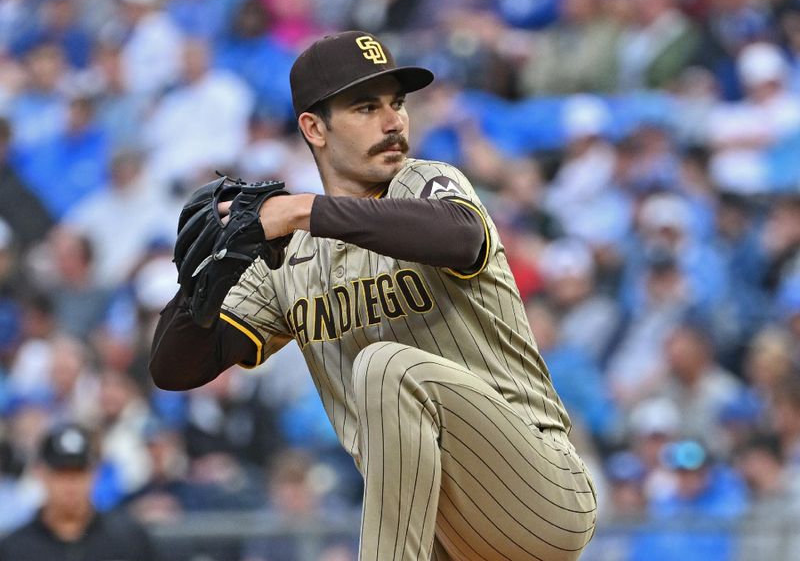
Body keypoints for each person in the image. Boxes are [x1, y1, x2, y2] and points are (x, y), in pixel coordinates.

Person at [150, 30, 597, 561]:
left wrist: (300, 210)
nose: (394, 122)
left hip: (539, 491)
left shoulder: (425, 183)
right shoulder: (288, 258)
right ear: (314, 128)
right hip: (444, 536)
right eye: (366, 107)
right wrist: (202, 284)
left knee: (385, 366)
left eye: (398, 104)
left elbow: (461, 236)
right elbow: (175, 370)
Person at [0, 423, 157, 561]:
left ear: (95, 474)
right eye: (61, 473)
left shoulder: (129, 539)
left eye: (79, 472)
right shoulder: (14, 549)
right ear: (41, 474)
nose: (71, 484)